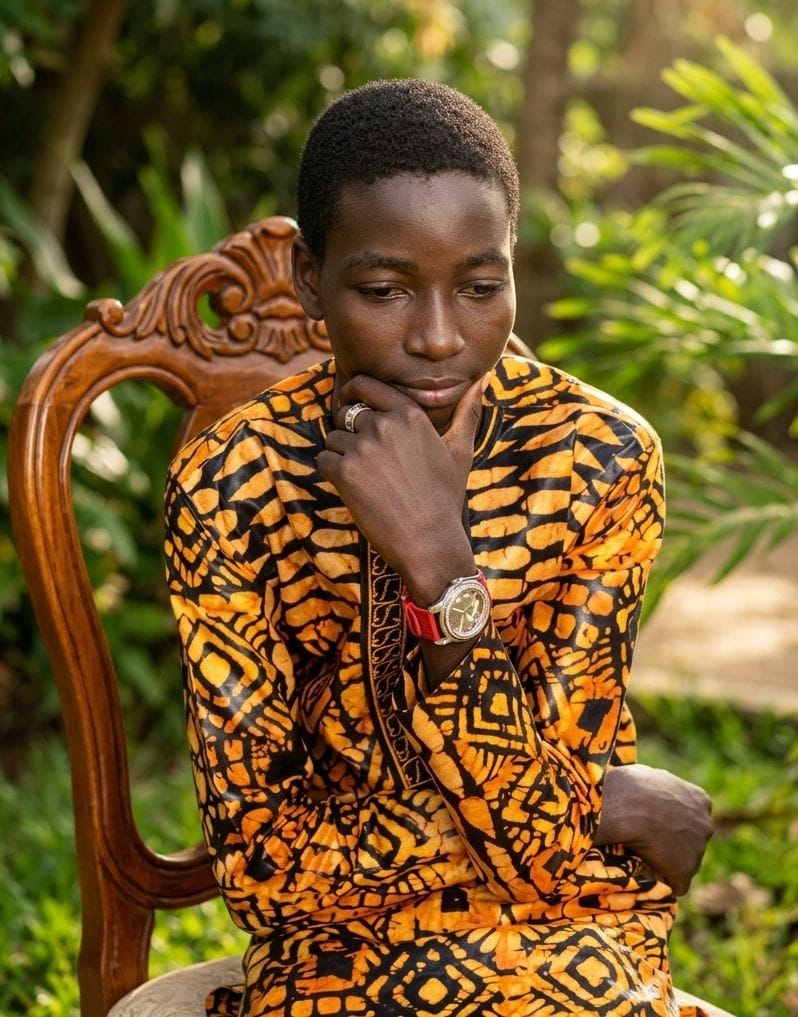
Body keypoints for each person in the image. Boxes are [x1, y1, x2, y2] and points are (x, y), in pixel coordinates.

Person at [164, 79, 713, 1017]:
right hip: (337, 953)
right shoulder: (233, 484)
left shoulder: (598, 458)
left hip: (569, 931)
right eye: (383, 290)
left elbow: (543, 858)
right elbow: (260, 873)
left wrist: (439, 567)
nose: (438, 337)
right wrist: (602, 807)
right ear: (309, 277)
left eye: (481, 287)